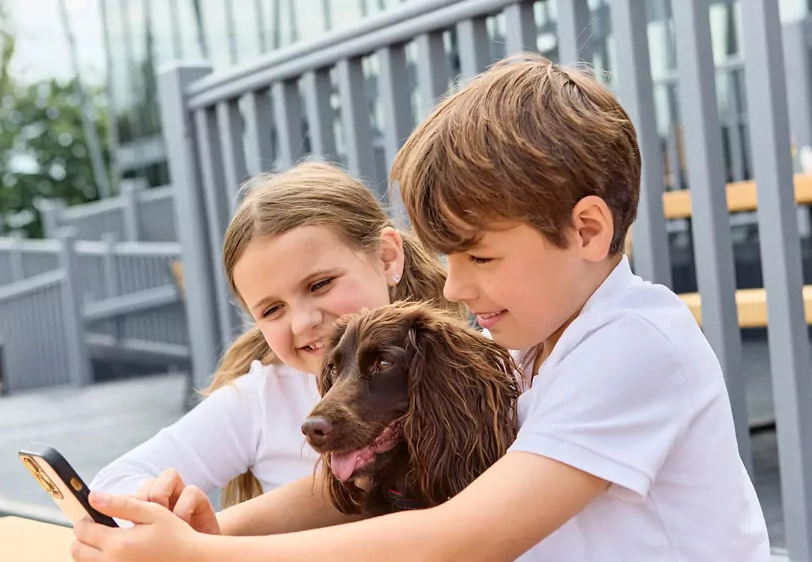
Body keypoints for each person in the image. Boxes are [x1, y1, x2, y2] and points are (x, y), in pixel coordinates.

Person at [70, 54, 771, 561]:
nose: (457, 288)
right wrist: (218, 533)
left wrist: (205, 560)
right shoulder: (526, 347)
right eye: (451, 257)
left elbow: (464, 537)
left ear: (586, 230)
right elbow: (354, 480)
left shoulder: (636, 343)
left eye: (481, 257)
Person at [88, 160, 458, 512]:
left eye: (320, 284)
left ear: (387, 257)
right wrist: (159, 503)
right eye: (272, 310)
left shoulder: (470, 370)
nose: (302, 323)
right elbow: (112, 486)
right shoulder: (261, 401)